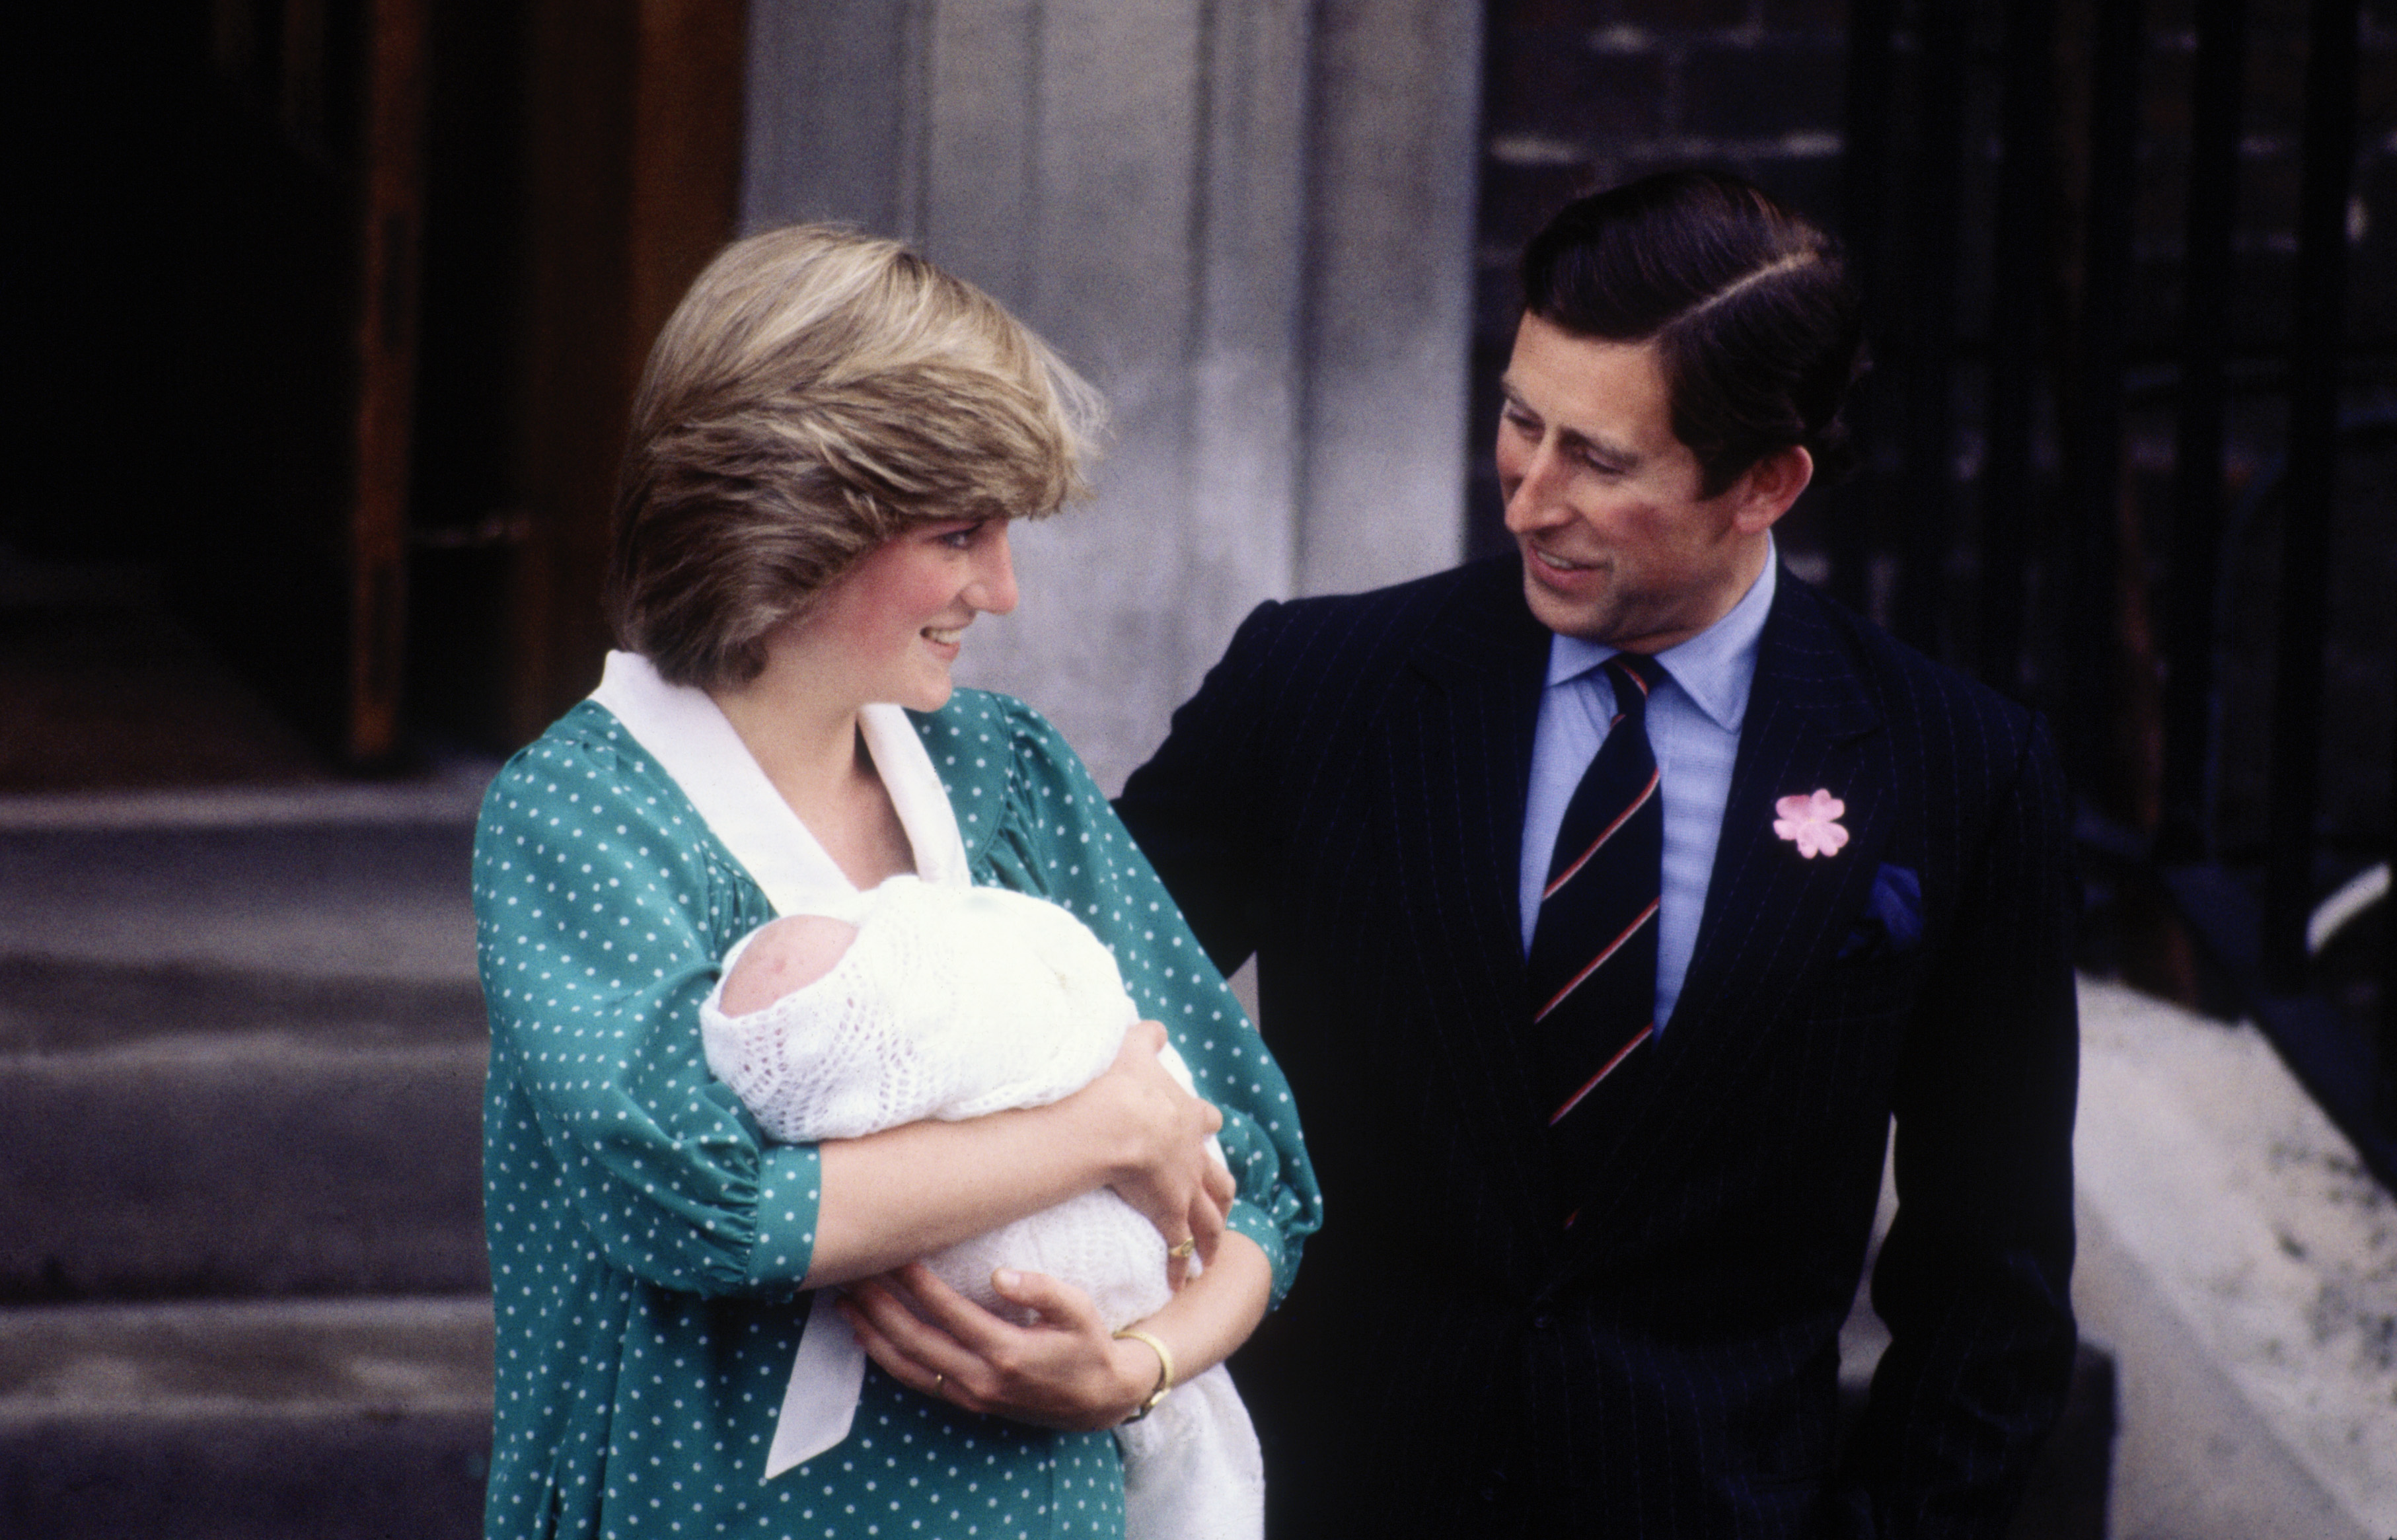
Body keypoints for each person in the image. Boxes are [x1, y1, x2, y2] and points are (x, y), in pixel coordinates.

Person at [1114, 170, 2079, 1537]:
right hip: (1321, 1494)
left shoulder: (1960, 772)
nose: (1526, 497)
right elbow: (1059, 1008)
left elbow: (1992, 1276)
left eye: (1601, 461)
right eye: (1520, 421)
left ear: (1765, 481)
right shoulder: (1316, 683)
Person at [471, 224, 1319, 1540]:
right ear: (790, 518)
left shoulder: (1005, 772)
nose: (1002, 588)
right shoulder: (581, 813)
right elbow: (703, 1206)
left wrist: (1133, 1368)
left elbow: (1257, 1177)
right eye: (957, 533)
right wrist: (1103, 1128)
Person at [698, 875, 1263, 1539]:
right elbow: (721, 1213)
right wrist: (1112, 1126)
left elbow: (1260, 1201)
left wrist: (1141, 1368)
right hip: (788, 1495)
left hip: (1088, 1475)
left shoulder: (1015, 786)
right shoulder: (603, 821)